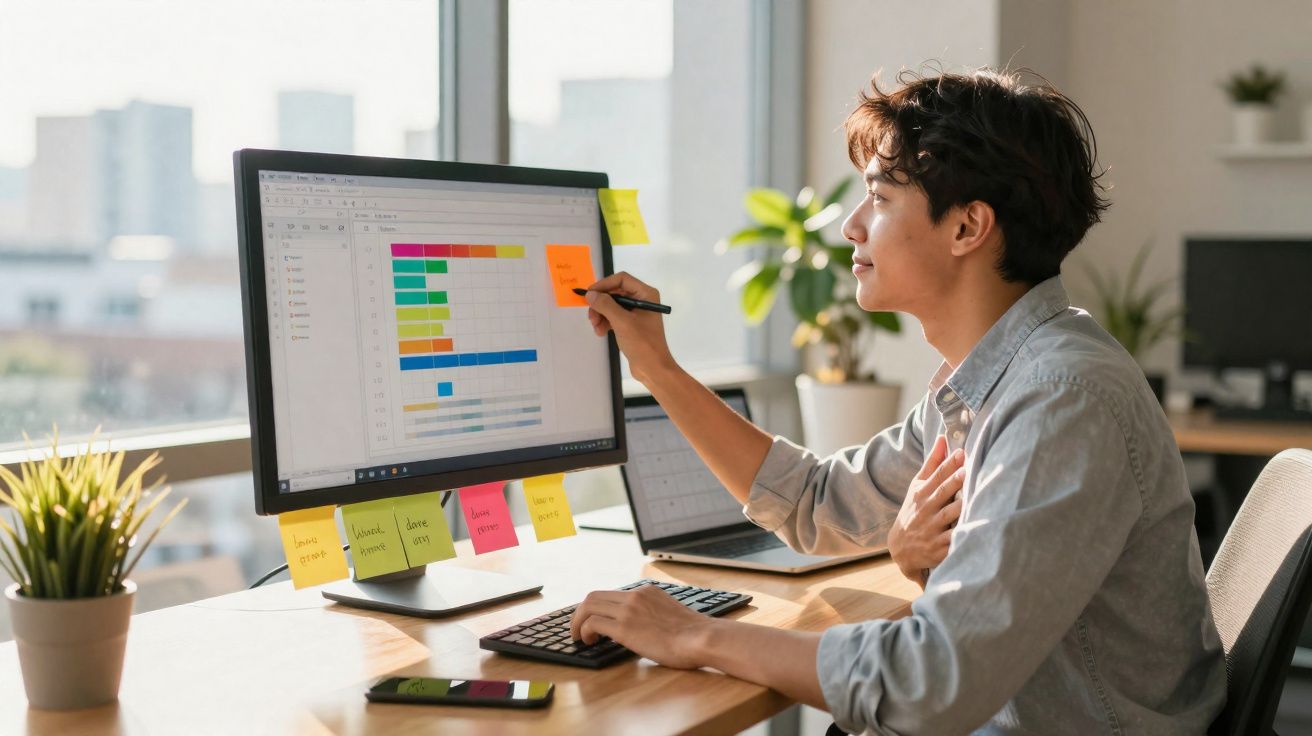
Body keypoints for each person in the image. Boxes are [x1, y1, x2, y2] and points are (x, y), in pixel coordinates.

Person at [569, 67, 1227, 735]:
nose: (853, 226)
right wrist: (658, 368)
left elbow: (930, 683)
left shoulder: (1061, 401)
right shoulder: (990, 380)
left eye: (879, 198)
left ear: (968, 226)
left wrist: (695, 638)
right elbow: (817, 503)